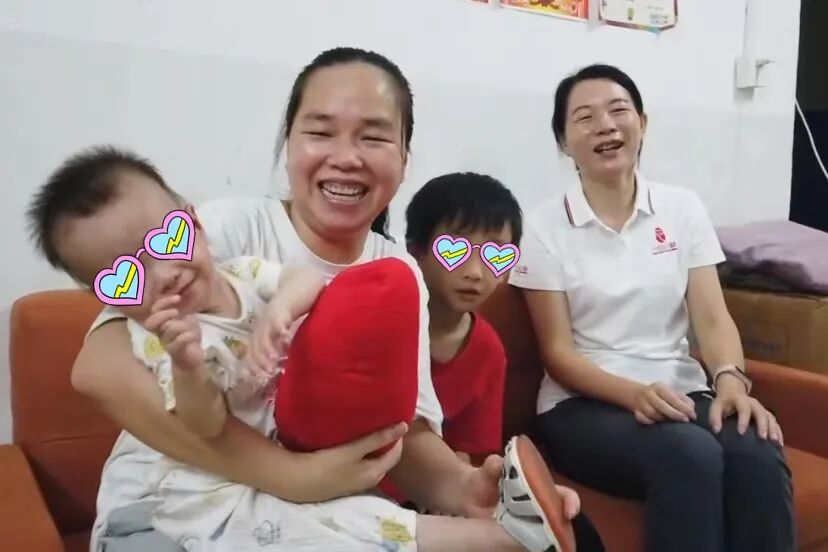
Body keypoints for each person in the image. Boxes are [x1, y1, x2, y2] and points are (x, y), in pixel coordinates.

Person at [64, 47, 581, 551]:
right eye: (320, 131)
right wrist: (288, 475)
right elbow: (96, 370)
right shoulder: (217, 231)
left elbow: (401, 433)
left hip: (311, 515)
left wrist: (466, 490)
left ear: (404, 159)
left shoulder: (398, 272)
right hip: (167, 509)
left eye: (374, 136)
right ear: (288, 143)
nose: (347, 157)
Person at [509, 63, 795, 552]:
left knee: (758, 453)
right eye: (585, 118)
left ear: (642, 124)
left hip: (680, 392)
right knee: (689, 453)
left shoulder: (682, 208)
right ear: (563, 142)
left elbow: (713, 319)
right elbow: (558, 354)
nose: (606, 125)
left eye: (619, 110)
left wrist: (730, 381)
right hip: (581, 406)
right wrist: (633, 394)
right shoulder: (542, 227)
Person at [403, 171, 605, 551]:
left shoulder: (488, 350)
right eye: (456, 250)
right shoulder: (388, 326)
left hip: (451, 493)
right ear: (416, 251)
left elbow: (479, 458)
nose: (475, 273)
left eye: (495, 255)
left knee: (578, 529)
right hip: (383, 496)